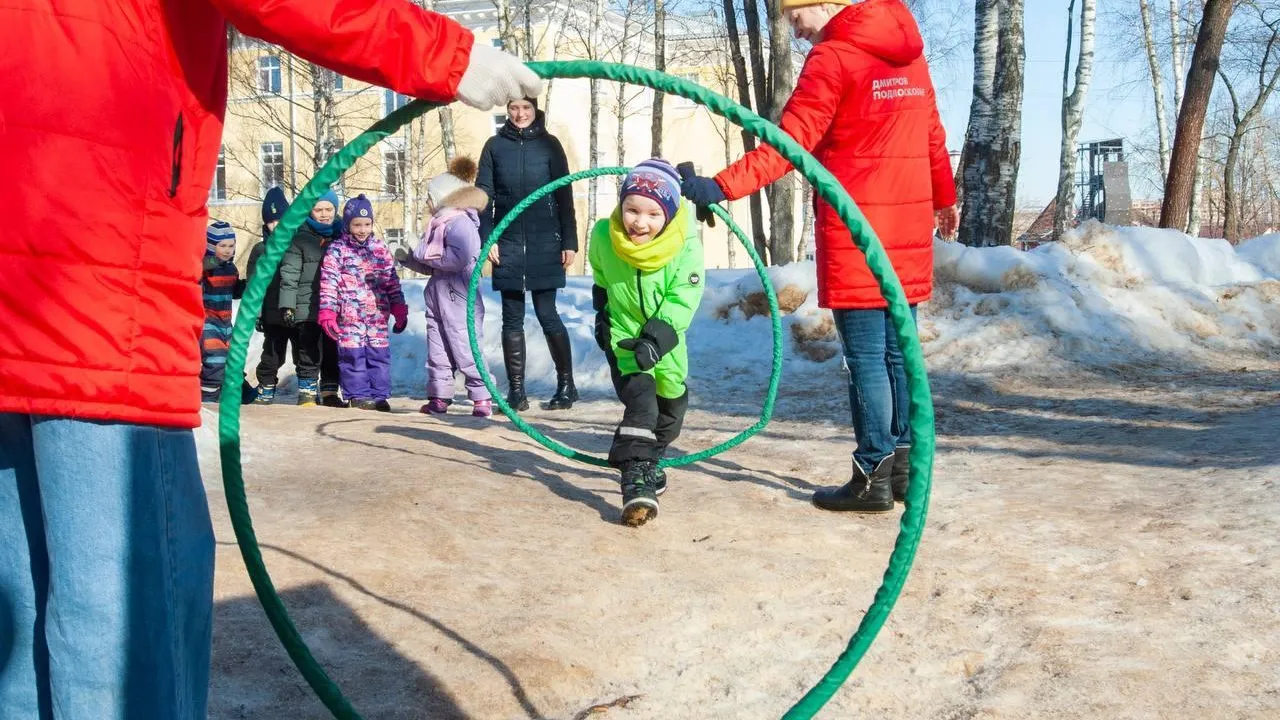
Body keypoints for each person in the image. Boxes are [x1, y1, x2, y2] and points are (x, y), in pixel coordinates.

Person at [0, 0, 539, 715]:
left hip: (42, 272)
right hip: (96, 274)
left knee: (26, 594)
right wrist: (447, 53)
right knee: (122, 605)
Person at [681, 0, 958, 514]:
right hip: (908, 226)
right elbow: (931, 134)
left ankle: (871, 474)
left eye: (795, 16)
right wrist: (943, 198)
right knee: (898, 355)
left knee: (868, 361)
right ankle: (900, 468)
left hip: (858, 230)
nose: (796, 29)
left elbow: (789, 145)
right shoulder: (909, 53)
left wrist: (721, 186)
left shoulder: (833, 58)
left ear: (826, 4)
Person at [590, 159, 704, 527]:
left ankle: (650, 461)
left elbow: (683, 297)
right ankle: (636, 482)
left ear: (668, 216)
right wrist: (601, 315)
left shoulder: (685, 244)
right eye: (632, 210)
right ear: (620, 206)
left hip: (666, 344)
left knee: (670, 414)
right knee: (642, 406)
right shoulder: (605, 236)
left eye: (653, 213)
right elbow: (602, 280)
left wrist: (657, 339)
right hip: (625, 340)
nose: (640, 222)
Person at [476, 96, 580, 412]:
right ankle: (517, 392)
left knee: (547, 314)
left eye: (526, 108)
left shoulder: (550, 145)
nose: (520, 114)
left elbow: (564, 194)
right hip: (506, 242)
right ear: (507, 111)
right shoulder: (494, 147)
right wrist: (487, 239)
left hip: (545, 240)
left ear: (535, 110)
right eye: (514, 108)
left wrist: (569, 240)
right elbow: (484, 197)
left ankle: (567, 384)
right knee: (511, 318)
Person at [399, 157, 495, 417]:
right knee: (438, 348)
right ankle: (440, 396)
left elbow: (458, 259)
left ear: (443, 198)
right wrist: (407, 257)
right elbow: (434, 266)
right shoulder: (439, 224)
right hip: (438, 297)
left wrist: (419, 250)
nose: (427, 203)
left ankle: (482, 396)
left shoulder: (460, 223)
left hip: (460, 297)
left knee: (465, 347)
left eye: (430, 197)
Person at [317, 195, 408, 412]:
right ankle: (357, 394)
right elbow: (328, 283)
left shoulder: (379, 248)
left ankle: (379, 395)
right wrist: (328, 311)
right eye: (357, 224)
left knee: (379, 356)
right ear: (348, 225)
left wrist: (399, 307)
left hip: (377, 315)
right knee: (353, 356)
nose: (362, 229)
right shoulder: (337, 250)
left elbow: (391, 280)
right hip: (349, 316)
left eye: (367, 224)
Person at [278, 189, 346, 406]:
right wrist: (288, 305)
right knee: (308, 350)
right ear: (310, 211)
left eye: (329, 209)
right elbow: (289, 273)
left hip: (334, 308)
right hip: (306, 306)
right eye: (319, 209)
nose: (324, 214)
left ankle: (329, 392)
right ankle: (307, 392)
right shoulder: (299, 237)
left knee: (331, 352)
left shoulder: (343, 236)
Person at [247, 186, 299, 405]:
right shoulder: (260, 250)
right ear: (265, 223)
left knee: (304, 350)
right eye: (272, 221)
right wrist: (256, 313)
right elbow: (253, 285)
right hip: (271, 312)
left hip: (298, 310)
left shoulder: (298, 244)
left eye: (281, 220)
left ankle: (308, 385)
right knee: (272, 352)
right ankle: (266, 385)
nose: (277, 225)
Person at [199, 221, 256, 404]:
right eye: (222, 246)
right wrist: (215, 260)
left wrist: (247, 286)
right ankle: (208, 399)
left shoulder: (231, 268)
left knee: (233, 358)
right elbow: (200, 268)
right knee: (215, 362)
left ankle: (238, 391)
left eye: (231, 246)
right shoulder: (205, 267)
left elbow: (234, 291)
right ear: (210, 246)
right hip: (208, 321)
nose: (227, 250)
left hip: (225, 322)